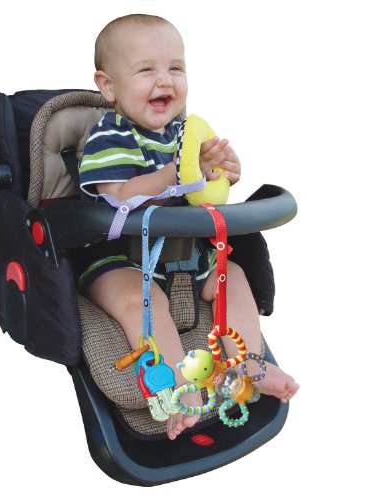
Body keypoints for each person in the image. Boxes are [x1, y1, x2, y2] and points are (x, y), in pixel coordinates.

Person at [78, 14, 299, 440]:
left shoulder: (185, 134)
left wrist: (222, 174)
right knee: (138, 300)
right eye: (146, 69)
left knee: (233, 276)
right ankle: (182, 385)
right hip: (119, 257)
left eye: (175, 67)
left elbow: (201, 192)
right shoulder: (110, 136)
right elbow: (119, 197)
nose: (165, 80)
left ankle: (249, 364)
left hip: (184, 254)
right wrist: (174, 174)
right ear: (108, 86)